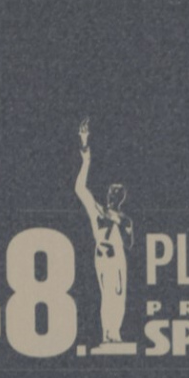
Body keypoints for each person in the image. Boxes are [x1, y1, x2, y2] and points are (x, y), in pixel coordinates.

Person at [74, 117, 135, 347]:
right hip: (103, 255)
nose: (113, 195)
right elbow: (80, 188)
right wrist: (85, 154)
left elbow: (129, 243)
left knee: (118, 294)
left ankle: (113, 333)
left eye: (117, 193)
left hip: (117, 257)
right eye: (112, 191)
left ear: (121, 198)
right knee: (108, 294)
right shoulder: (97, 210)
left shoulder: (122, 218)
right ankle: (108, 334)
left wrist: (123, 226)